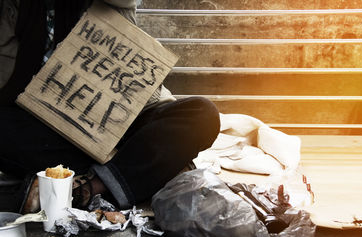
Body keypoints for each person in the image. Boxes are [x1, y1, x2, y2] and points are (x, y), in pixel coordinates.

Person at [0, 0, 220, 212]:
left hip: (128, 119)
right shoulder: (12, 9)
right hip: (61, 131)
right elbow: (6, 85)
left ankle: (89, 188)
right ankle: (134, 171)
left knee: (202, 115)